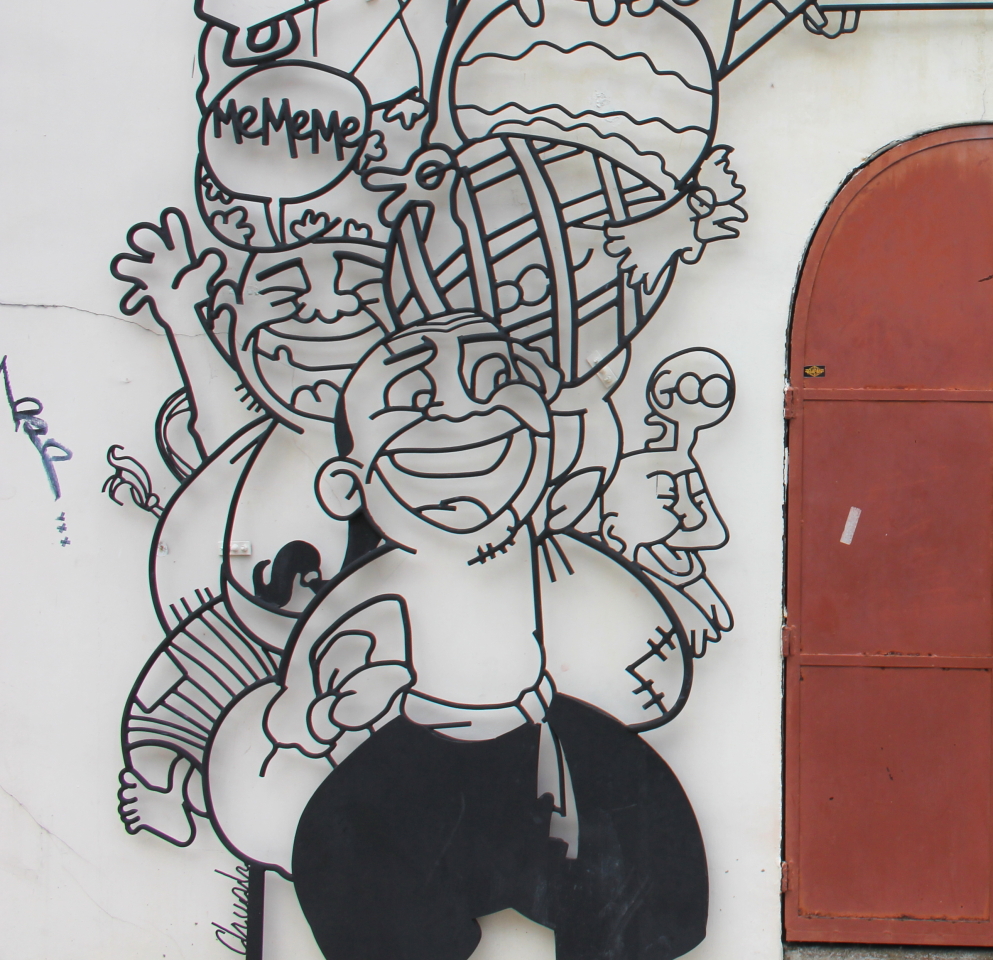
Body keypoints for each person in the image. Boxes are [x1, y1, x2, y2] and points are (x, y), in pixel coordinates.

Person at [205, 311, 707, 960]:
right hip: (420, 760)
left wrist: (655, 658)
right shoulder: (384, 579)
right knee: (346, 855)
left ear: (553, 442)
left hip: (544, 744)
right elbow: (300, 696)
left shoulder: (541, 549)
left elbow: (649, 646)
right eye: (416, 396)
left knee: (644, 850)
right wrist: (323, 713)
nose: (461, 409)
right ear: (347, 486)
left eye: (495, 379)